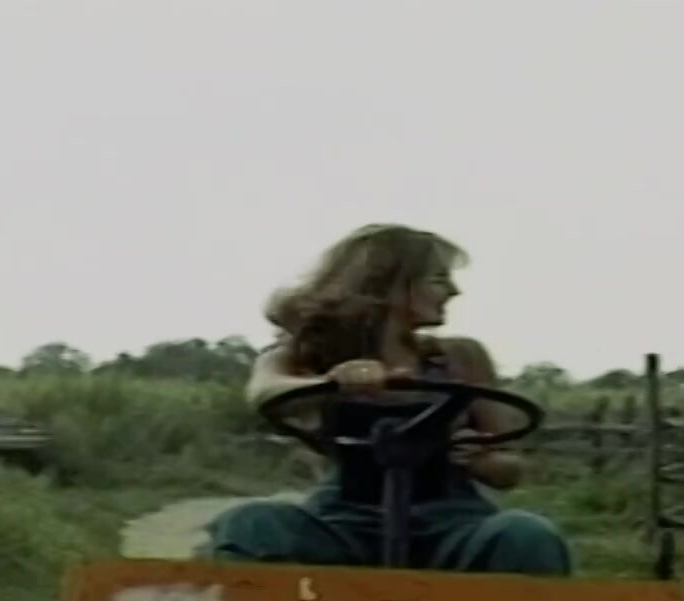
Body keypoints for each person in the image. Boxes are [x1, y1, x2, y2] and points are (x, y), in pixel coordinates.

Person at [207, 224, 571, 575]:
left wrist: (481, 460)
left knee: (526, 536)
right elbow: (265, 391)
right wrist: (333, 383)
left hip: (452, 522)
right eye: (439, 279)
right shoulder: (310, 352)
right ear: (390, 285)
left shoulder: (461, 357)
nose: (454, 291)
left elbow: (508, 468)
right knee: (251, 524)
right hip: (345, 520)